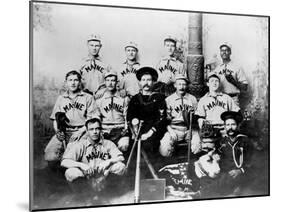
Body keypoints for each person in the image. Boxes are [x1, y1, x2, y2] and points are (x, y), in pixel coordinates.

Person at [44, 70, 94, 169]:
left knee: (76, 155)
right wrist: (58, 131)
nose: (73, 83)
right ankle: (58, 176)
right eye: (70, 80)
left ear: (80, 82)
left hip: (82, 132)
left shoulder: (88, 97)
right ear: (66, 82)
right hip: (65, 130)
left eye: (76, 80)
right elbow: (55, 119)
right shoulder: (61, 98)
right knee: (50, 155)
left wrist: (81, 131)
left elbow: (92, 120)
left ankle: (73, 173)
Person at [61, 117, 126, 193]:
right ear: (87, 131)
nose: (95, 132)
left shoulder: (108, 143)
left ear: (100, 130)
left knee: (120, 166)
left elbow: (121, 157)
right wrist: (81, 165)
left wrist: (109, 161)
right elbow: (64, 162)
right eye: (91, 129)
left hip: (104, 178)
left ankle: (108, 193)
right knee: (70, 172)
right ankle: (86, 195)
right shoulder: (80, 145)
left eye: (97, 129)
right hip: (86, 179)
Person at [200, 111, 253, 198]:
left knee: (224, 180)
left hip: (239, 174)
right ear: (224, 126)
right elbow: (217, 152)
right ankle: (231, 188)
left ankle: (202, 192)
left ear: (238, 126)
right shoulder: (222, 141)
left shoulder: (245, 141)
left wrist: (240, 171)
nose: (230, 128)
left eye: (233, 124)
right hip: (224, 173)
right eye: (227, 125)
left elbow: (253, 161)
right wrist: (215, 155)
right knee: (204, 179)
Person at [127, 67, 167, 169]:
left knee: (150, 145)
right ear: (140, 82)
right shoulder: (135, 99)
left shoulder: (159, 98)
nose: (146, 83)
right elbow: (130, 117)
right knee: (133, 147)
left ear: (153, 82)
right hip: (137, 131)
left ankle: (151, 176)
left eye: (149, 80)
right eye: (143, 80)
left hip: (153, 131)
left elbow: (161, 119)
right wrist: (135, 132)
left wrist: (149, 133)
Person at [195, 74, 240, 151]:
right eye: (212, 81)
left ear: (219, 84)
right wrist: (204, 129)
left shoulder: (226, 98)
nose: (214, 83)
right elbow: (200, 117)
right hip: (210, 131)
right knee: (208, 151)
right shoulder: (203, 100)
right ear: (207, 84)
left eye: (217, 81)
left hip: (225, 129)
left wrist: (232, 126)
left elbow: (237, 112)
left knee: (228, 149)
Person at [159, 74, 201, 157]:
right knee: (164, 150)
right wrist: (170, 131)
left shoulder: (192, 99)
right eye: (179, 84)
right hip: (174, 129)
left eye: (184, 84)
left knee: (198, 147)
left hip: (189, 129)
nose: (182, 87)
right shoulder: (169, 100)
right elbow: (165, 120)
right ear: (175, 85)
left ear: (187, 85)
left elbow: (196, 117)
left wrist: (195, 132)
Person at [93, 70, 130, 152]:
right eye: (108, 80)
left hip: (120, 129)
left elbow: (127, 116)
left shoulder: (124, 98)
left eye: (113, 80)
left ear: (117, 82)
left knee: (124, 145)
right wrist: (99, 130)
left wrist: (126, 129)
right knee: (102, 149)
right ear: (104, 82)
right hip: (105, 129)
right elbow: (97, 116)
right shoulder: (99, 99)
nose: (110, 83)